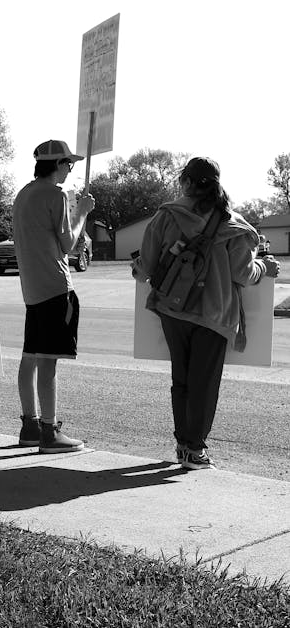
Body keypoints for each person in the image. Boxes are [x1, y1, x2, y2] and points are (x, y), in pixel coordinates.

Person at [133, 157, 280, 470]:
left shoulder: (165, 216)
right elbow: (242, 274)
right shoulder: (234, 225)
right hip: (214, 315)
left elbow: (143, 269)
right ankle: (194, 450)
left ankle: (183, 445)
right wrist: (263, 268)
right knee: (204, 384)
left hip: (172, 310)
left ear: (184, 181)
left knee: (181, 380)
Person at [12, 140, 95, 453]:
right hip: (55, 288)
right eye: (68, 164)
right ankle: (49, 431)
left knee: (30, 358)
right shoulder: (55, 193)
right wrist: (82, 213)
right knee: (47, 364)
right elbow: (68, 244)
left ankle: (30, 426)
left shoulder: (23, 194)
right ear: (58, 164)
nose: (70, 170)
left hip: (32, 290)